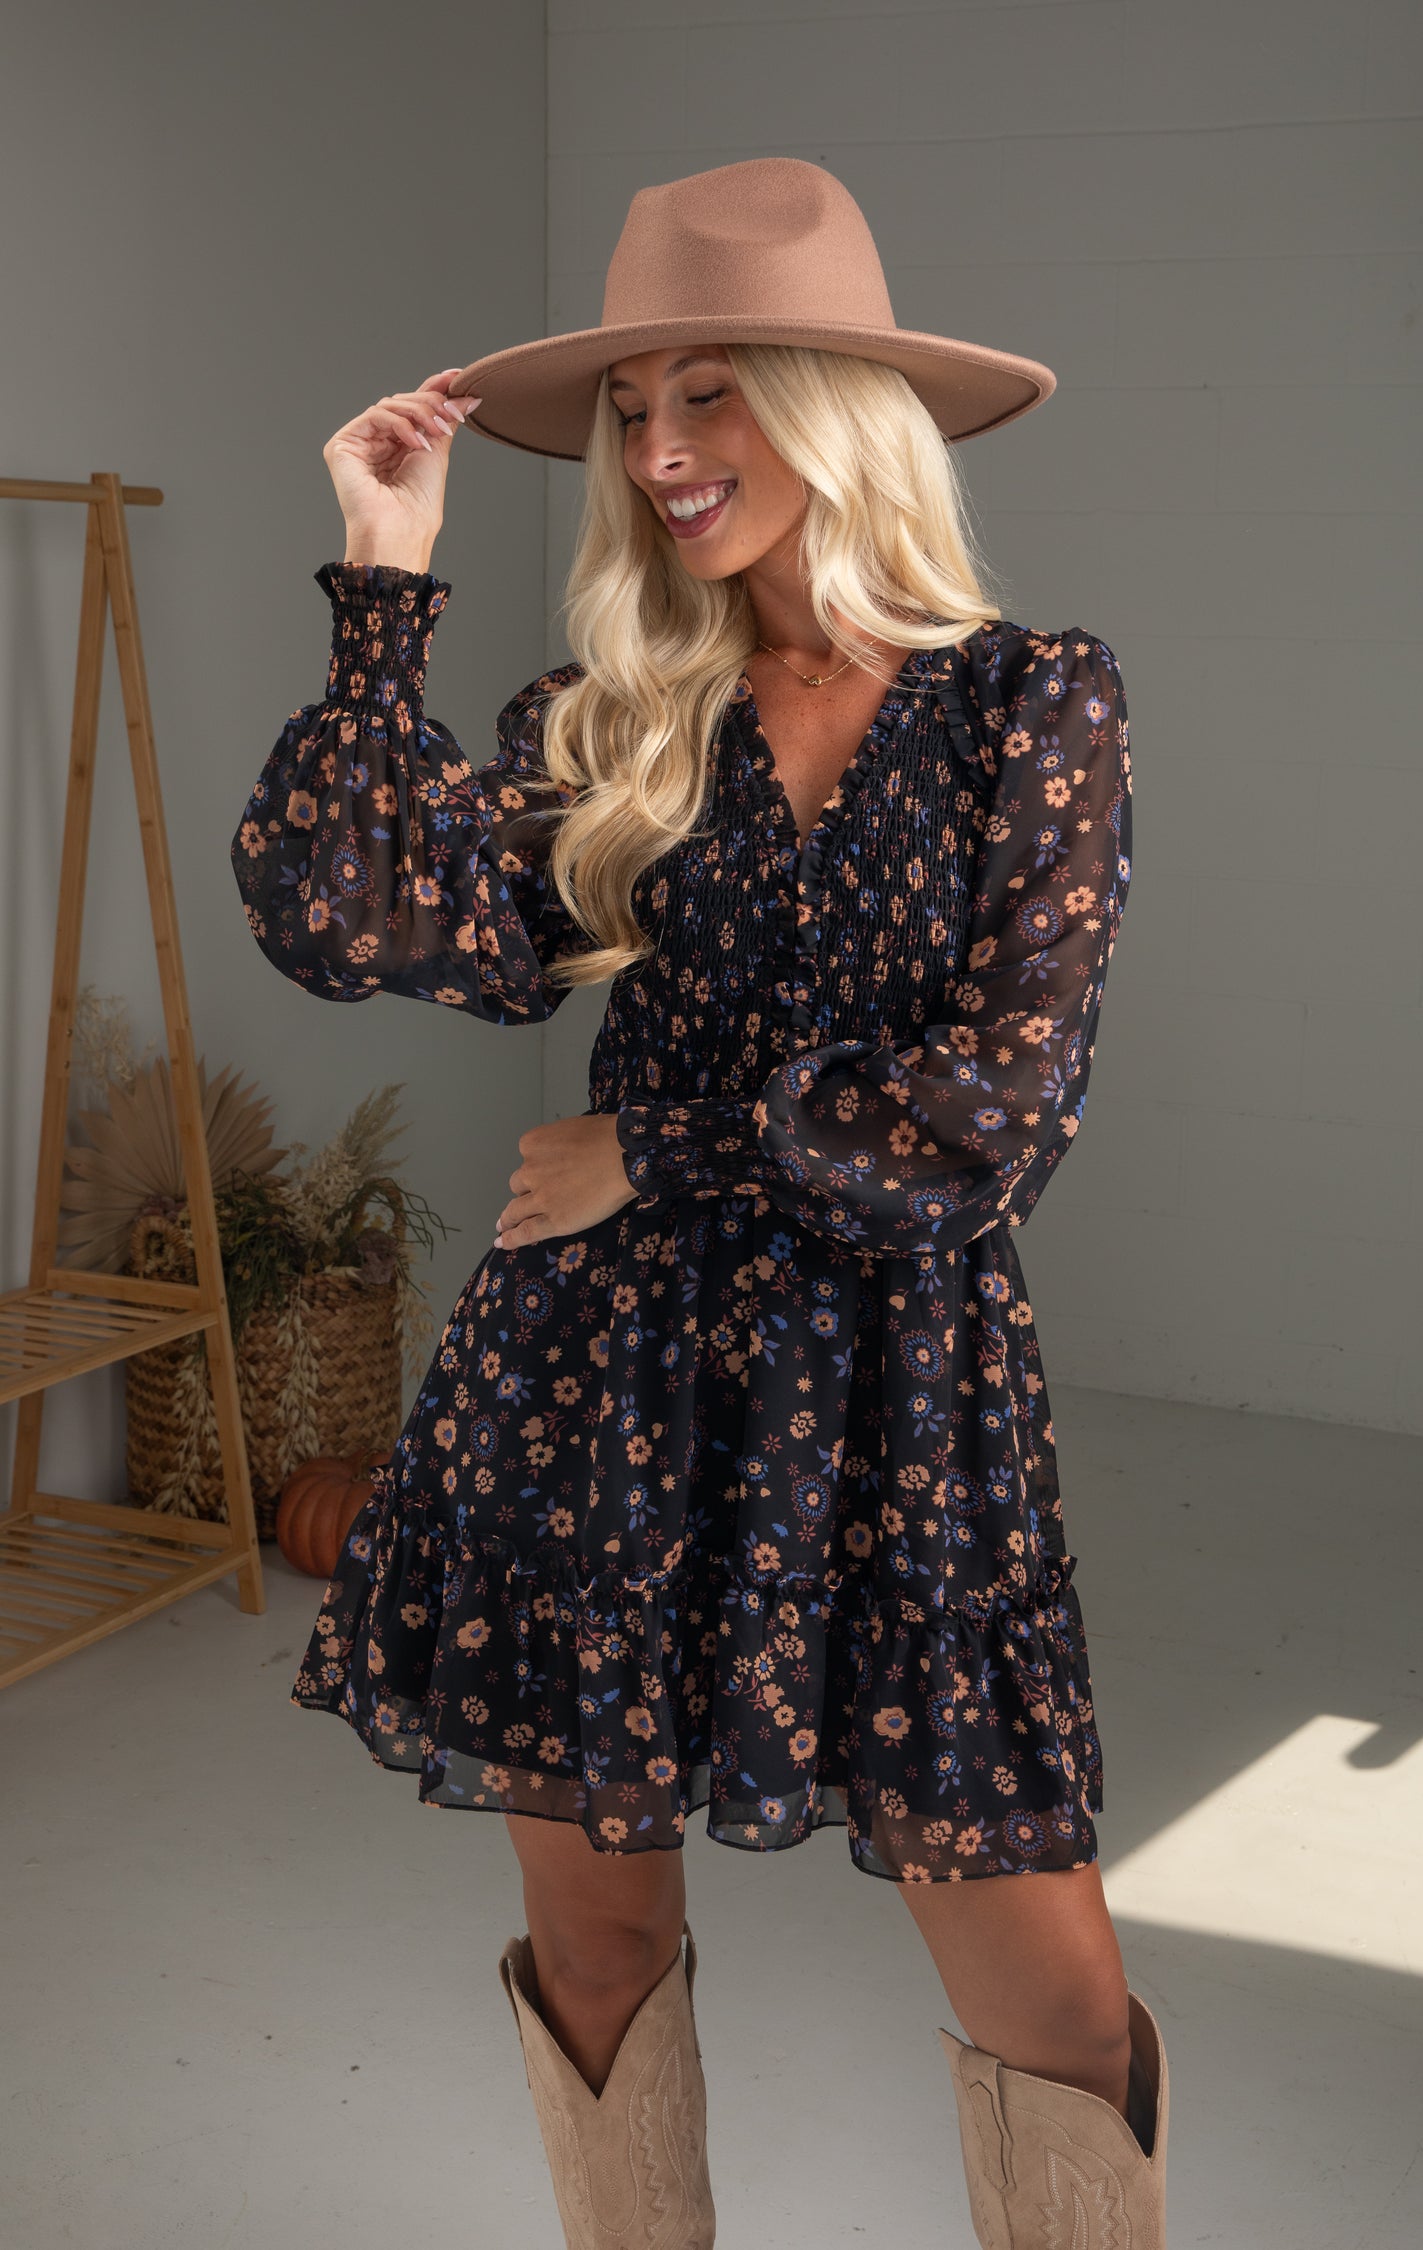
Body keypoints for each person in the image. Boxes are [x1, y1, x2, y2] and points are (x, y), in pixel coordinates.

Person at [233, 159, 1167, 2249]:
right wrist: (385, 571)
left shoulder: (1034, 703)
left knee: (1060, 2006)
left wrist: (663, 1147)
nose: (659, 453)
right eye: (637, 406)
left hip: (904, 1410)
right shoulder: (611, 725)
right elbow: (342, 911)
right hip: (598, 1389)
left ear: (842, 407)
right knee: (595, 1952)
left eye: (715, 394)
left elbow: (998, 1114)